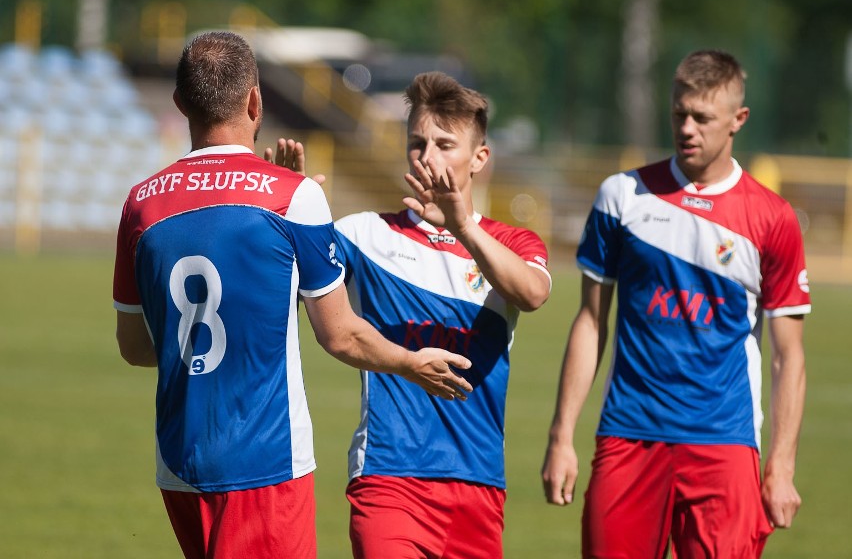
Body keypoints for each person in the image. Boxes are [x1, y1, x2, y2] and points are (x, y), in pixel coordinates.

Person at [112, 32, 473, 559]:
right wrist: (411, 362)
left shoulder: (140, 205)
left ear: (179, 104)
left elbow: (135, 346)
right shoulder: (292, 195)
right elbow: (340, 333)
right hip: (266, 465)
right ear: (256, 101)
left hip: (179, 465)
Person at [268, 71, 552, 558]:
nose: (428, 156)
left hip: (478, 485)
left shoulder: (512, 244)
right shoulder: (362, 235)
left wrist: (462, 226)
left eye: (445, 144)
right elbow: (278, 292)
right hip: (388, 477)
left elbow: (530, 294)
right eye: (417, 142)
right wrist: (283, 214)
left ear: (479, 158)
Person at [541, 49, 810, 557]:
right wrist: (561, 436)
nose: (687, 128)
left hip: (723, 442)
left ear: (737, 120)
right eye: (678, 114)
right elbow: (591, 320)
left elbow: (787, 354)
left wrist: (782, 464)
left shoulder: (773, 218)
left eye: (702, 118)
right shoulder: (622, 196)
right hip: (628, 435)